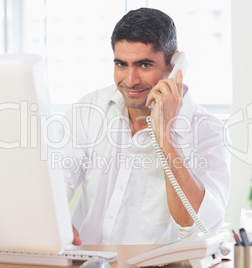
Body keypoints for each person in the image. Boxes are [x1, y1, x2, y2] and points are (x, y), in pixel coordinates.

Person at [54, 7, 231, 245]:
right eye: (121, 64)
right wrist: (54, 222)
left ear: (174, 64)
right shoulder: (88, 110)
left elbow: (197, 227)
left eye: (144, 65)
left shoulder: (208, 131)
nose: (130, 80)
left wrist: (165, 133)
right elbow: (53, 186)